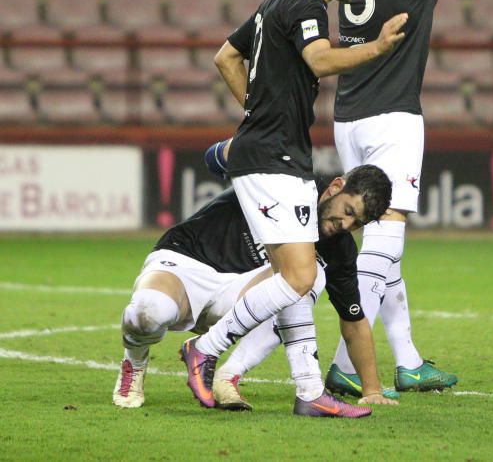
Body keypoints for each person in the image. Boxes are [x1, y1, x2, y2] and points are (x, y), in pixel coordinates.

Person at [180, 0, 408, 418]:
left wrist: (257, 115)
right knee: (301, 276)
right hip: (273, 157)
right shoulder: (305, 4)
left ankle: (309, 393)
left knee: (297, 280)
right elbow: (322, 61)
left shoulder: (273, 1)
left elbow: (226, 57)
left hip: (274, 151)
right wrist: (379, 48)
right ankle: (206, 348)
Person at [324, 0, 493, 394]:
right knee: (387, 235)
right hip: (393, 116)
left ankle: (409, 360)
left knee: (380, 239)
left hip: (348, 116)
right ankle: (346, 364)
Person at [113, 167, 396, 412]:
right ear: (336, 187)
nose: (345, 225)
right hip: (186, 261)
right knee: (149, 313)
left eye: (357, 223)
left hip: (238, 297)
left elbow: (353, 320)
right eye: (348, 211)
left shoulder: (339, 249)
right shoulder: (288, 185)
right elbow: (222, 158)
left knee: (310, 277)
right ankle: (134, 363)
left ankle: (228, 376)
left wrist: (372, 391)